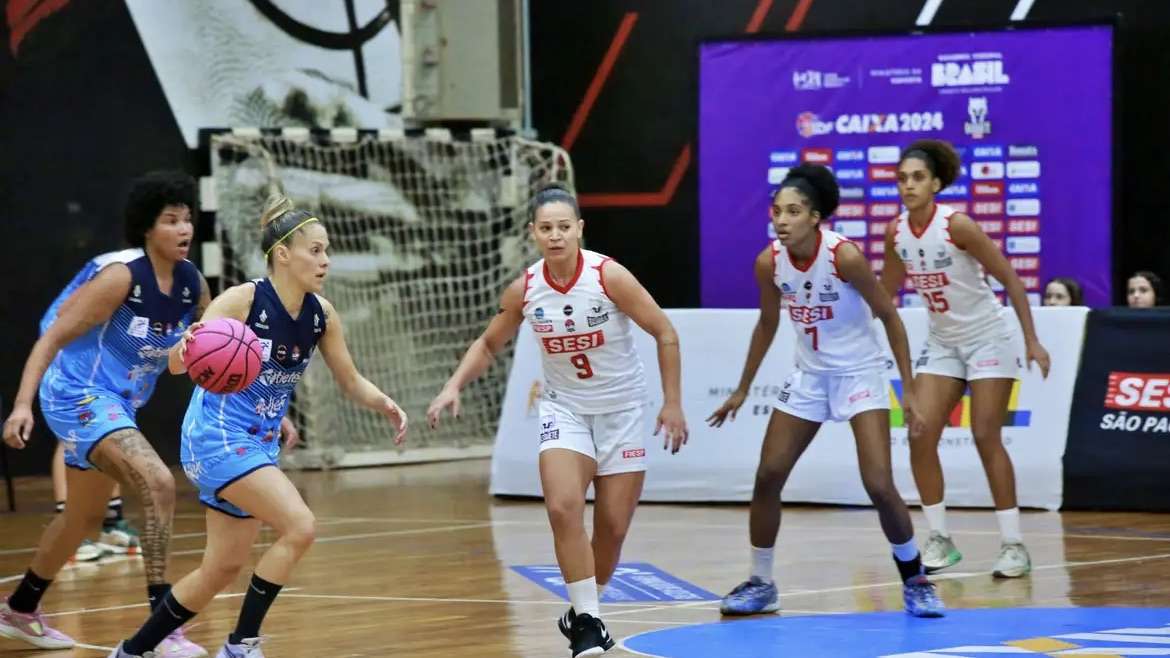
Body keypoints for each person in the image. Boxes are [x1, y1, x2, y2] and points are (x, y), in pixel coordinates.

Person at [108, 194, 407, 658]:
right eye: (316, 250)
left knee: (220, 568)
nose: (325, 260)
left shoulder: (321, 314)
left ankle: (131, 651)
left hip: (259, 442)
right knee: (300, 526)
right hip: (216, 437)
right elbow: (173, 366)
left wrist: (383, 402)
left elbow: (350, 381)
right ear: (284, 254)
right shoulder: (242, 300)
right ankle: (241, 644)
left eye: (327, 251)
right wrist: (186, 346)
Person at [427, 182, 688, 657]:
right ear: (533, 233)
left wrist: (672, 403)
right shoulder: (526, 288)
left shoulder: (609, 277)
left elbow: (665, 332)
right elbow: (489, 344)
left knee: (611, 528)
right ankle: (588, 622)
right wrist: (453, 385)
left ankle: (583, 610)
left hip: (622, 411)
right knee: (562, 507)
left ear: (580, 229)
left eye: (564, 227)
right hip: (565, 410)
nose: (555, 236)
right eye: (546, 228)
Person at [708, 164, 944, 618]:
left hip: (859, 373)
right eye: (776, 210)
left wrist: (909, 389)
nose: (781, 220)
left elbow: (890, 318)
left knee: (878, 482)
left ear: (815, 217)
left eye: (793, 211)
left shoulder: (844, 257)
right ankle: (761, 582)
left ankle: (915, 579)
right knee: (767, 475)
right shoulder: (768, 262)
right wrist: (742, 389)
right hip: (810, 376)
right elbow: (767, 323)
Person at [1, 171, 210, 656]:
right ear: (145, 228)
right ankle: (161, 628)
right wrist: (20, 406)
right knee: (157, 482)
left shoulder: (191, 285)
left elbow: (205, 359)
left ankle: (20, 608)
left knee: (83, 517)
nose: (184, 230)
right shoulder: (120, 277)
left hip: (117, 405)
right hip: (77, 394)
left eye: (188, 220)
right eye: (171, 220)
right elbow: (51, 338)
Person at [881, 139, 1051, 578]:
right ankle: (939, 538)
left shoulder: (959, 226)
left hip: (986, 338)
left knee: (984, 434)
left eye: (917, 177)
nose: (908, 185)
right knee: (919, 436)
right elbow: (886, 294)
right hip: (942, 342)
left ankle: (1014, 545)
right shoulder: (895, 233)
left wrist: (1032, 340)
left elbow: (1011, 280)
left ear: (936, 183)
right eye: (901, 178)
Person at [40, 249, 149, 562]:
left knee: (113, 427)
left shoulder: (174, 274)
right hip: (70, 337)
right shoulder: (122, 268)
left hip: (112, 347)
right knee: (80, 426)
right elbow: (67, 312)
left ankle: (111, 523)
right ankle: (68, 521)